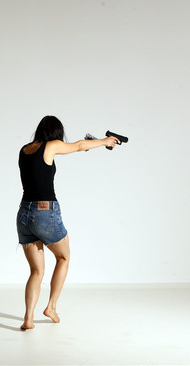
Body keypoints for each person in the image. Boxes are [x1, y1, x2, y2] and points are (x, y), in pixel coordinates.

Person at [16, 115, 119, 330]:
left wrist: (89, 144)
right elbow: (80, 145)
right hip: (45, 212)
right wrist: (105, 141)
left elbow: (76, 147)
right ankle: (51, 307)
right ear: (56, 133)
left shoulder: (25, 149)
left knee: (36, 271)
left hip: (24, 215)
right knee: (63, 257)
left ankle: (28, 319)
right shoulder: (51, 145)